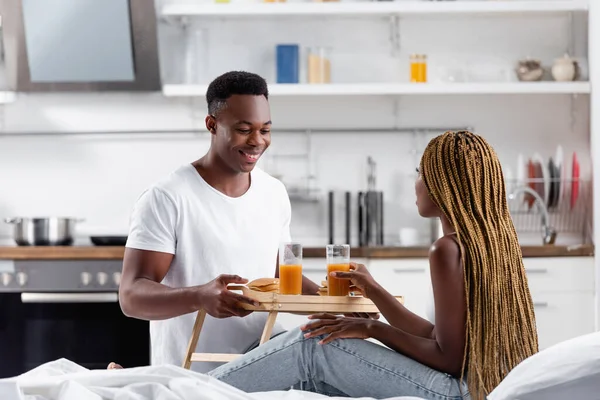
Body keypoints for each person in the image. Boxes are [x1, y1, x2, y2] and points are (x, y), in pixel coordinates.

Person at [206, 131, 539, 400]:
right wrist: (375, 292)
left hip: (455, 392)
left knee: (310, 346)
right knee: (311, 382)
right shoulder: (491, 243)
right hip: (479, 388)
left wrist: (370, 328)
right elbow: (440, 338)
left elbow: (448, 359)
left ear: (443, 186)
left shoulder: (446, 249)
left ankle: (188, 393)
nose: (416, 183)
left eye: (421, 173)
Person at [118, 70, 320, 373]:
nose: (257, 141)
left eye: (265, 130)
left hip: (263, 362)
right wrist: (200, 295)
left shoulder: (274, 193)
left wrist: (335, 304)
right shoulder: (168, 197)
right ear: (212, 125)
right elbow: (131, 296)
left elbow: (282, 274)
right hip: (193, 374)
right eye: (243, 129)